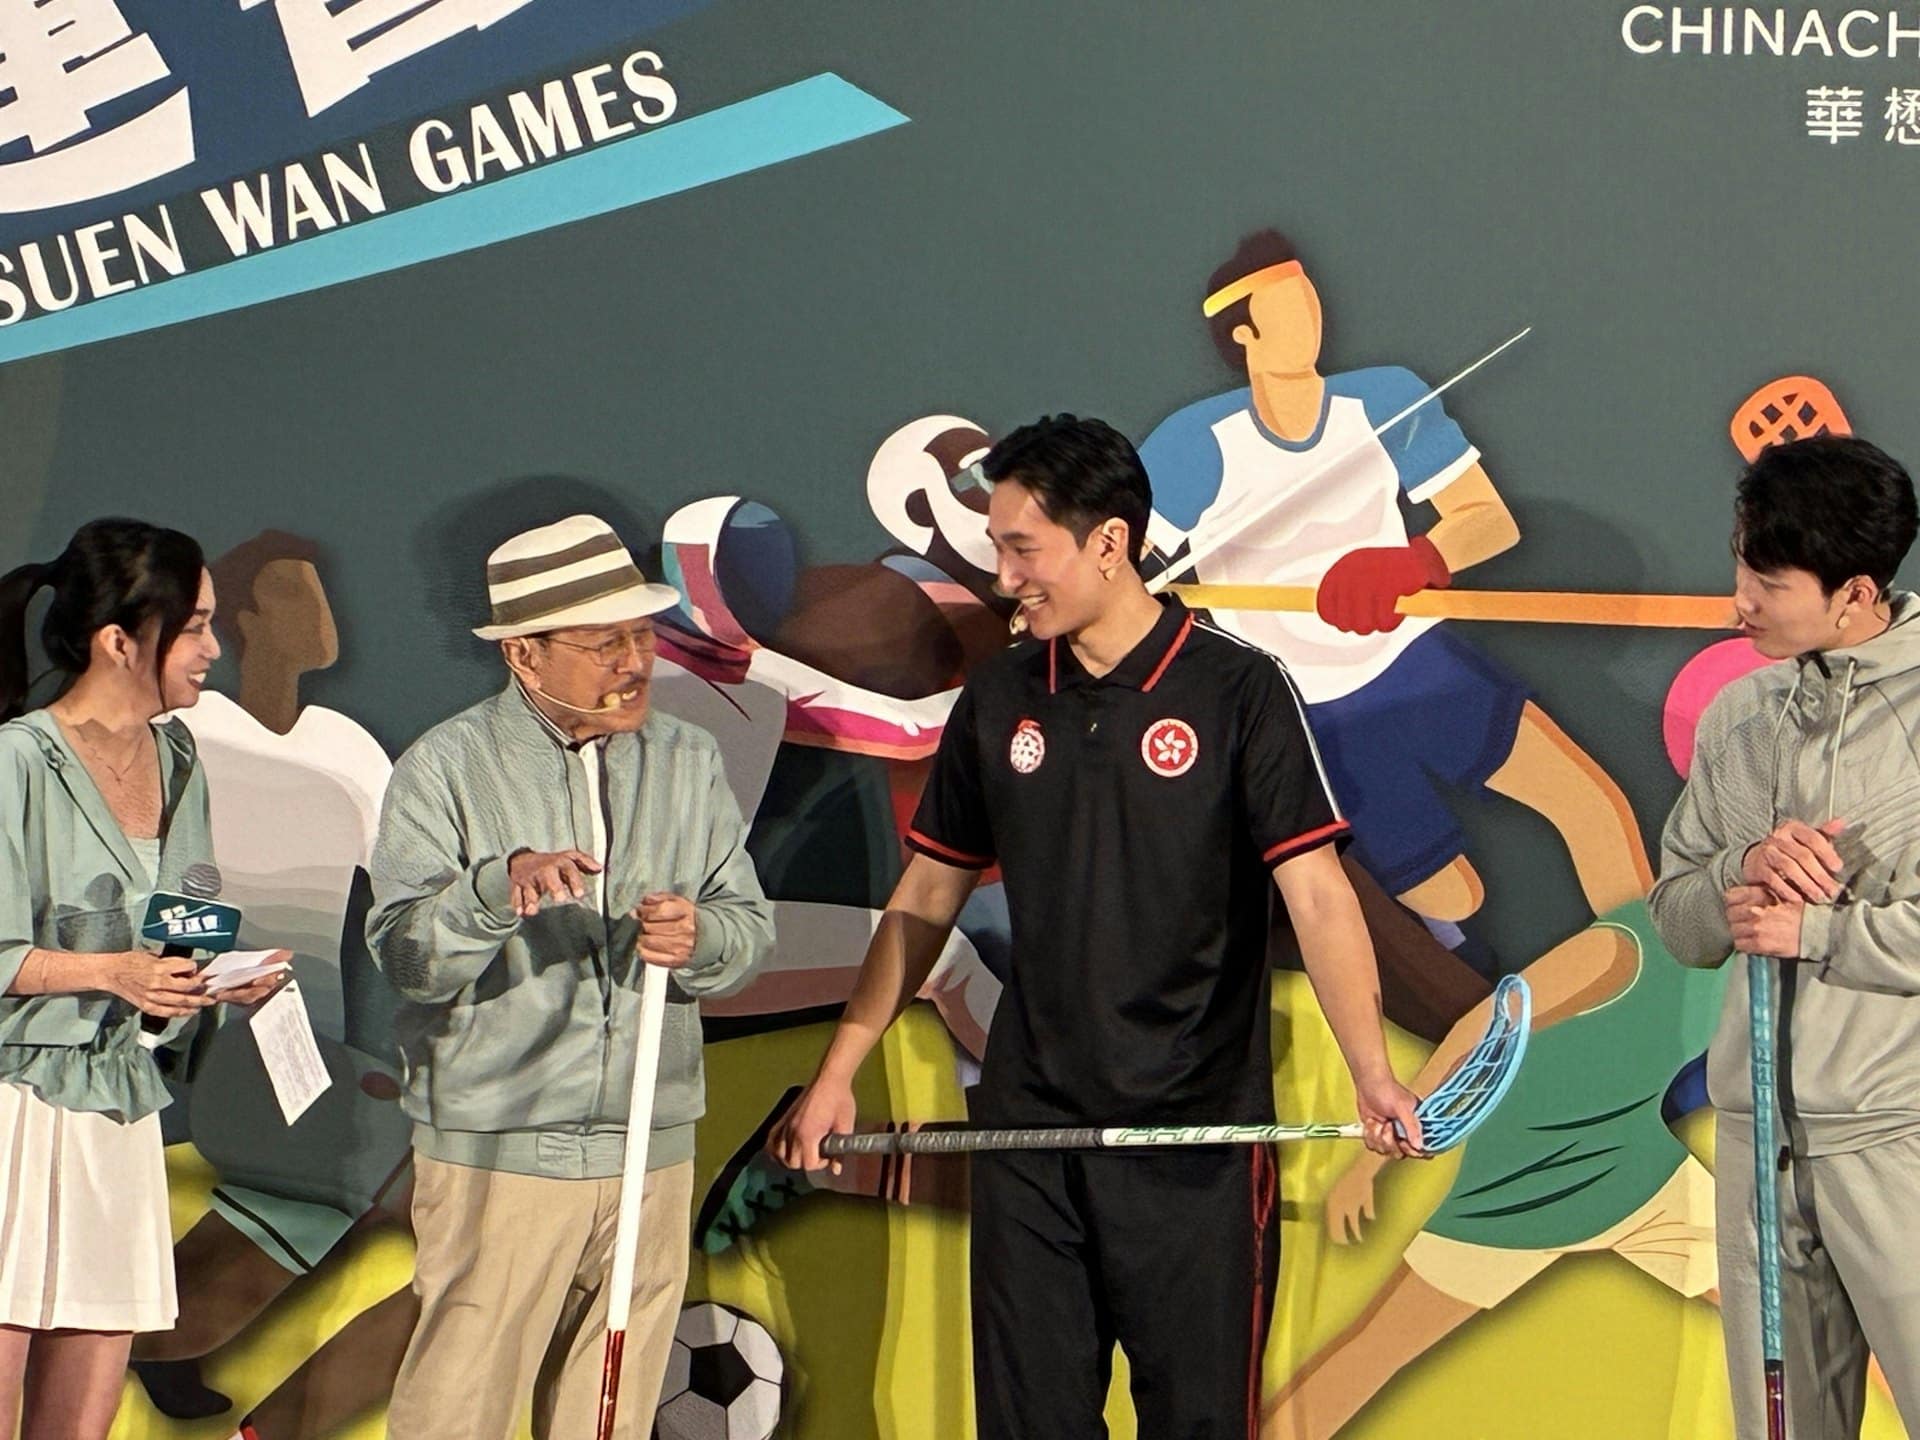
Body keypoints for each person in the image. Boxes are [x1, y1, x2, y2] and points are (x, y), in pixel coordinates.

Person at [773, 415, 1420, 1439]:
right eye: (998, 550)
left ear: (1109, 541)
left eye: (1023, 549)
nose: (1005, 579)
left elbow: (1317, 895)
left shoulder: (1237, 689)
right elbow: (926, 896)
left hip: (1195, 1141)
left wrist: (1373, 1074)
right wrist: (840, 1066)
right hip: (1032, 1134)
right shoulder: (1000, 695)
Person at [367, 513, 773, 1440]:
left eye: (642, 636)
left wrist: (701, 937)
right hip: (500, 1147)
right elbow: (405, 958)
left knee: (611, 1415)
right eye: (605, 644)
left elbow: (747, 929)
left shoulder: (688, 759)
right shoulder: (445, 768)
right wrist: (492, 893)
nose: (635, 663)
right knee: (459, 1413)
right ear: (524, 654)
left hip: (650, 1146)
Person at [1140, 229, 1651, 940]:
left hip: (1416, 662)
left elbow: (1488, 520)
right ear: (1244, 335)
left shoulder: (1385, 397)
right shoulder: (1194, 443)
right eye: (1286, 308)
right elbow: (1125, 565)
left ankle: (1660, 971)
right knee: (1454, 899)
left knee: (1587, 800)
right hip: (1307, 713)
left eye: (1309, 298)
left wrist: (1413, 562)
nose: (1310, 318)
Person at [1649, 434, 1920, 1439]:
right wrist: (1739, 874)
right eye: (1741, 567)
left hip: (1897, 1136)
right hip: (1757, 1144)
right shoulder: (1740, 714)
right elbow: (1679, 918)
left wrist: (1817, 932)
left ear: (1856, 594)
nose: (1740, 602)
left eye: (1770, 583)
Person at [0, 518, 285, 1440]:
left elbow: (181, 919)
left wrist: (216, 976)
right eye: (194, 626)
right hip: (14, 1109)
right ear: (119, 641)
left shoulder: (179, 757)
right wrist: (112, 972)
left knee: (83, 1405)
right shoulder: (16, 761)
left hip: (117, 1106)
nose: (214, 648)